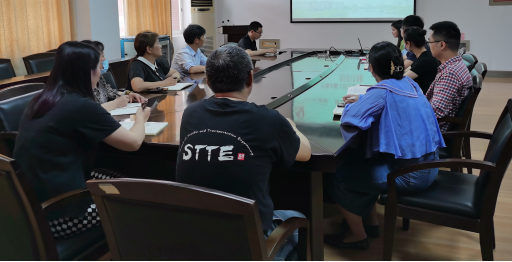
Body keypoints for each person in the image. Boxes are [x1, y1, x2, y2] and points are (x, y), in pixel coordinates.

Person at [176, 45, 311, 261]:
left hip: (194, 236)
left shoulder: (191, 113)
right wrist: (290, 126)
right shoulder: (268, 119)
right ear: (250, 78)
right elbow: (305, 153)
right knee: (297, 217)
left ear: (208, 81)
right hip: (247, 243)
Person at [14, 41, 151, 239]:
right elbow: (133, 143)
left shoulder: (42, 99)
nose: (101, 72)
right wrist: (141, 119)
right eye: (98, 67)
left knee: (123, 179)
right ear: (87, 72)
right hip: (61, 213)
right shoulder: (81, 106)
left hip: (32, 204)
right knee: (140, 199)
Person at [324, 42, 445, 250]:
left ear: (371, 67)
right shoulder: (410, 84)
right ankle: (370, 223)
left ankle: (357, 236)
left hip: (409, 175)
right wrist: (365, 98)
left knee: (338, 176)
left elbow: (352, 117)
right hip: (430, 165)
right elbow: (390, 100)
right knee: (367, 160)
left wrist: (356, 104)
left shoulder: (381, 92)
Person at [426, 21, 473, 132]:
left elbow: (434, 113)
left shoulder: (450, 74)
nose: (429, 46)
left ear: (442, 45)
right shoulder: (454, 65)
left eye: (430, 42)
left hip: (432, 133)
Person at [81, 40, 146, 111]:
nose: (104, 59)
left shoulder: (99, 77)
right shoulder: (79, 85)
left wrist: (128, 94)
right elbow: (87, 110)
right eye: (102, 56)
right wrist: (115, 104)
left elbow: (111, 92)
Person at [403, 28, 439, 94]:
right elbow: (405, 71)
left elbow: (403, 79)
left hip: (424, 97)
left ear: (408, 43)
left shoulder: (424, 60)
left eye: (404, 42)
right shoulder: (423, 56)